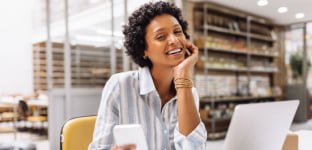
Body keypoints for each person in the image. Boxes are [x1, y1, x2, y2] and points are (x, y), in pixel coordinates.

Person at [88, 1, 207, 150]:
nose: (174, 40)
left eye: (177, 32)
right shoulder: (120, 86)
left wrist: (183, 78)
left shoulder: (189, 93)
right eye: (161, 36)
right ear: (143, 49)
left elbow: (195, 147)